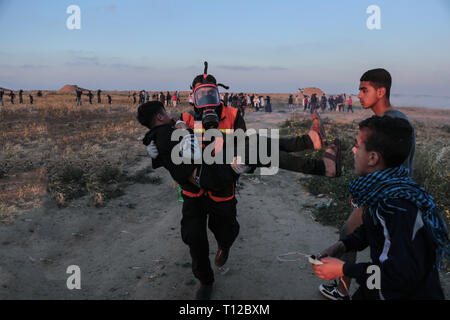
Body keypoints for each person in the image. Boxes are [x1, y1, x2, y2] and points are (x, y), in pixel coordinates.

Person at [312, 115, 448, 300]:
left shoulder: (396, 205)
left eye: (358, 145)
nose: (353, 150)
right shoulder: (385, 191)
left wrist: (343, 269)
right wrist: (343, 245)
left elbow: (397, 278)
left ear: (373, 158)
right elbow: (375, 231)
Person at [317, 68, 417, 300]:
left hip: (387, 196)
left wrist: (367, 192)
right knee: (360, 237)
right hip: (381, 194)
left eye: (364, 90)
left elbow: (393, 168)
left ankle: (344, 288)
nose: (359, 95)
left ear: (381, 91)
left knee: (365, 240)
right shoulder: (385, 120)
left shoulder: (393, 123)